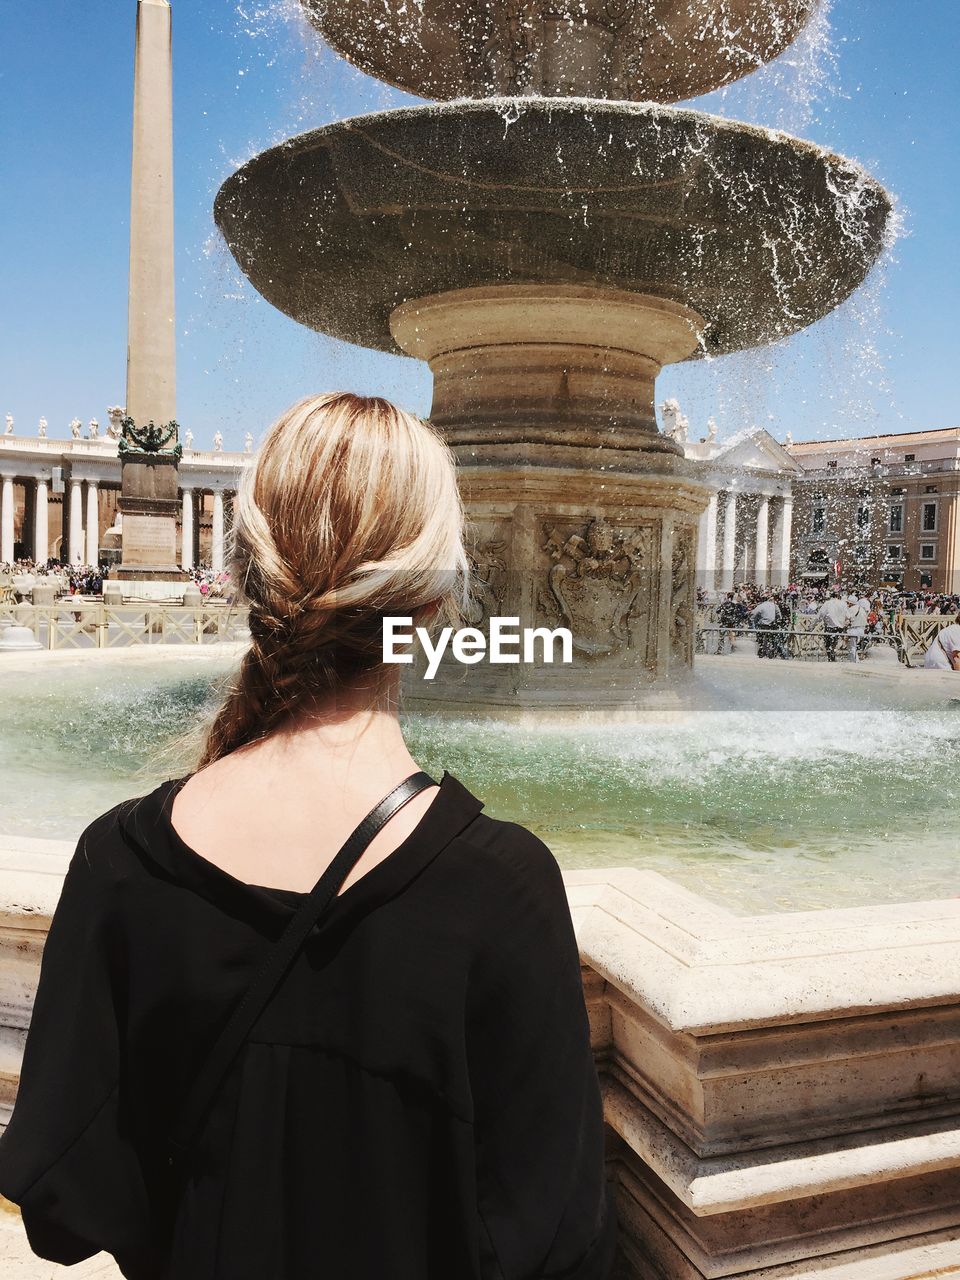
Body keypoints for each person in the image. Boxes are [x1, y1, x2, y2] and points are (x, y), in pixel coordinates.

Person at [0, 392, 618, 1280]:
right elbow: (559, 1240)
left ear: (248, 573)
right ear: (437, 604)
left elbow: (63, 1213)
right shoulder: (502, 887)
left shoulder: (118, 860)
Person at [817, 590, 849, 662]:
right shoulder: (842, 603)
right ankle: (835, 657)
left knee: (828, 644)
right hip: (840, 627)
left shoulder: (827, 603)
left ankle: (831, 658)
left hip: (830, 627)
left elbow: (821, 615)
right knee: (836, 644)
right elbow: (848, 615)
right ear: (838, 596)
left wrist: (815, 623)